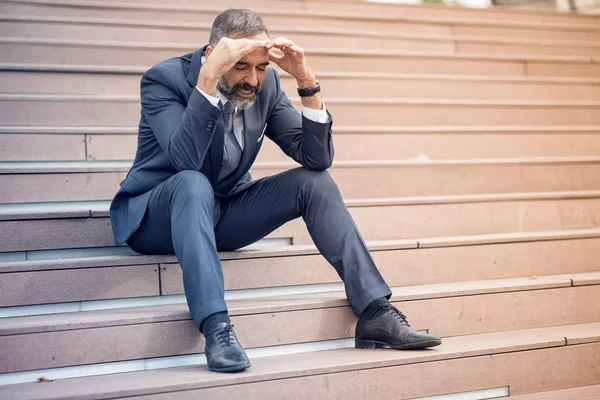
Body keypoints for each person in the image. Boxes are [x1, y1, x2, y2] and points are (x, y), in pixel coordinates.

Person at [110, 8, 441, 373]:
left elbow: (317, 158)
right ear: (213, 56)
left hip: (221, 212)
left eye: (261, 67)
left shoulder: (264, 87)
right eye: (241, 66)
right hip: (157, 217)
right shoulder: (164, 80)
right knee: (192, 183)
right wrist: (207, 79)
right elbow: (186, 160)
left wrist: (305, 80)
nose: (253, 79)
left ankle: (375, 310)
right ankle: (217, 327)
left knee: (314, 182)